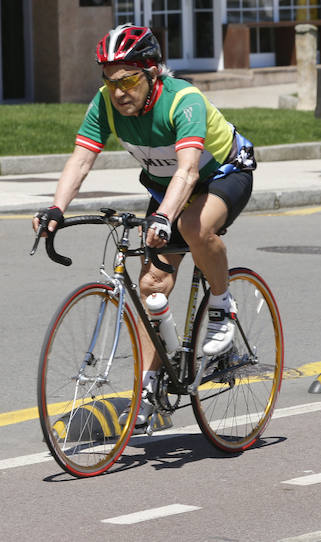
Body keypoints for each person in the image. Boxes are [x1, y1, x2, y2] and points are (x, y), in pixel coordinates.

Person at [33, 24, 256, 428]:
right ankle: (151, 385)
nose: (118, 91)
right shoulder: (104, 104)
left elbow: (188, 171)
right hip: (166, 187)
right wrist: (55, 209)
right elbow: (81, 159)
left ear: (153, 72)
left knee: (192, 225)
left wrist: (163, 217)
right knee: (152, 284)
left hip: (222, 175)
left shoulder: (182, 100)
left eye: (128, 80)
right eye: (110, 80)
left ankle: (223, 305)